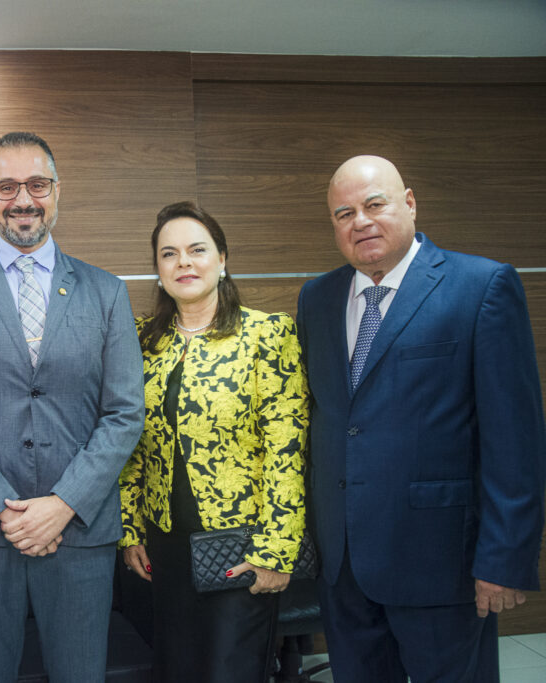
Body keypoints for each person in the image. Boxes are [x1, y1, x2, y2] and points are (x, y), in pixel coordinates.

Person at [296, 155, 546, 682]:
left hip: (441, 564)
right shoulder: (317, 299)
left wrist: (504, 559)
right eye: (343, 214)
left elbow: (515, 441)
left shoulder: (481, 286)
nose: (359, 221)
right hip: (344, 567)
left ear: (409, 203)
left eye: (374, 204)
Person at [0, 131, 145, 683]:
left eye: (36, 184)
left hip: (80, 530)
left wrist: (63, 503)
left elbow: (124, 412)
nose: (23, 199)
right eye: (7, 186)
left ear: (57, 191)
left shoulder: (106, 291)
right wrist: (3, 508)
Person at [118, 201, 309, 682]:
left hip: (240, 546)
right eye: (169, 254)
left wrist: (275, 551)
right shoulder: (140, 341)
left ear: (222, 259)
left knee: (230, 672)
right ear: (158, 270)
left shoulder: (267, 334)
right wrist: (130, 530)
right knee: (176, 670)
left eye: (197, 249)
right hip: (164, 549)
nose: (184, 262)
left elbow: (286, 450)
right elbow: (130, 444)